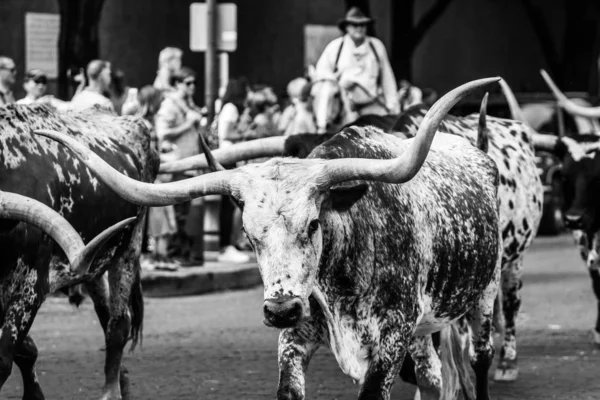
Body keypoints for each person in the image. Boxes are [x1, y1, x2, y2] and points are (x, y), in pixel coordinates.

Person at [155, 66, 204, 266]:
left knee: (185, 211)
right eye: (187, 83)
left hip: (190, 163)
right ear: (176, 84)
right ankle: (174, 253)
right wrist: (188, 123)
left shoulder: (187, 103)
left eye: (194, 83)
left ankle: (183, 252)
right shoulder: (169, 105)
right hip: (177, 165)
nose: (192, 86)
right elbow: (162, 133)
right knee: (177, 212)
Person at [315, 7, 399, 115]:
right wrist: (338, 82)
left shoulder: (376, 46)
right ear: (347, 27)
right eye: (354, 25)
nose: (359, 28)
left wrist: (392, 105)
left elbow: (387, 78)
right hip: (345, 110)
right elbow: (321, 73)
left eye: (362, 25)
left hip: (372, 106)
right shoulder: (335, 47)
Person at [214, 78, 251, 263]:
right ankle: (226, 246)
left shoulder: (228, 107)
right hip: (228, 158)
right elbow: (227, 134)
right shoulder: (231, 108)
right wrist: (247, 134)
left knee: (229, 204)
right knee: (229, 205)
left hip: (227, 158)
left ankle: (228, 245)